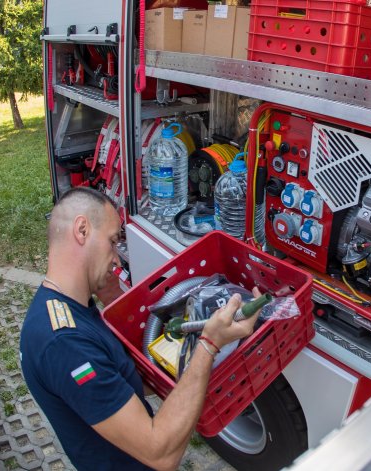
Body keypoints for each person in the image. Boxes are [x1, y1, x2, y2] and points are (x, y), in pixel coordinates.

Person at [20, 187, 261, 471]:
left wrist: (115, 304)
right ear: (82, 230)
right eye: (112, 241)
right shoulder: (64, 343)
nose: (115, 257)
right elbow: (160, 454)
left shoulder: (67, 307)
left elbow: (127, 379)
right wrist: (208, 344)